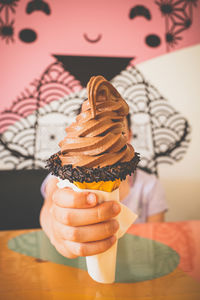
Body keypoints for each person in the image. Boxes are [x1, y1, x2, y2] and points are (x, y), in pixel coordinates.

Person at [40, 113, 168, 258]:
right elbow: (49, 208)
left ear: (128, 136)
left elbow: (156, 242)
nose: (103, 139)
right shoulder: (63, 177)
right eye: (93, 131)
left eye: (114, 129)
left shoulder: (149, 185)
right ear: (79, 137)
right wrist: (59, 233)